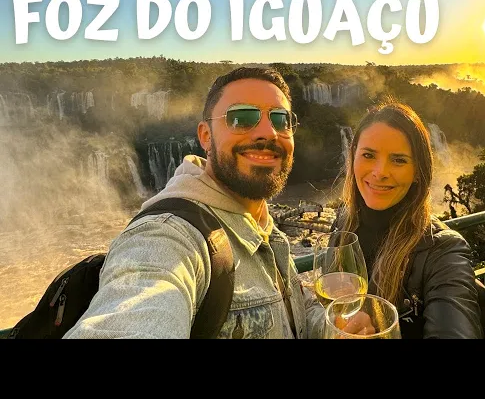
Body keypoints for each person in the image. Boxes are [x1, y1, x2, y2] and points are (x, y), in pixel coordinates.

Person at [63, 67, 326, 339]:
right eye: (242, 118)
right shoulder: (167, 237)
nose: (268, 132)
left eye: (281, 119)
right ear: (205, 136)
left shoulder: (263, 223)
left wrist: (332, 324)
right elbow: (137, 305)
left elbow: (293, 311)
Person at [333, 99, 483, 339]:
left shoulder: (443, 251)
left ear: (418, 173)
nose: (380, 172)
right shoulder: (343, 222)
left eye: (399, 160)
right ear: (353, 159)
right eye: (368, 155)